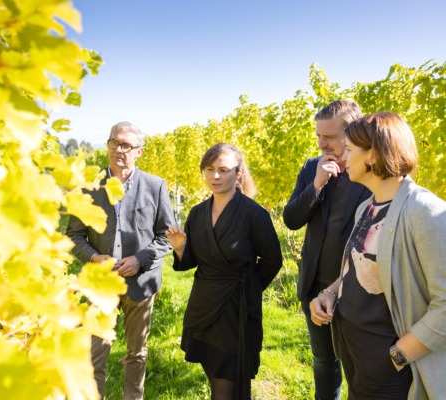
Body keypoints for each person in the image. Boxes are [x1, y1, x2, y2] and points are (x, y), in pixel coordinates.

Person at [310, 112, 446, 399]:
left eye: (349, 149)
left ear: (372, 154)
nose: (343, 157)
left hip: (389, 369)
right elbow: (356, 268)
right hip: (357, 358)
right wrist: (330, 293)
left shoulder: (425, 211)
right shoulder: (368, 208)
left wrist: (397, 356)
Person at [66, 121, 175, 400]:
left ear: (138, 151)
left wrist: (140, 259)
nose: (119, 150)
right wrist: (92, 257)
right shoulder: (88, 187)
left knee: (136, 353)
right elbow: (74, 235)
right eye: (114, 142)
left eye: (126, 145)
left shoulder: (155, 186)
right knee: (95, 353)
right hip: (101, 284)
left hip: (140, 282)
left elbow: (167, 237)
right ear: (108, 145)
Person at [165, 143, 282, 400]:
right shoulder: (197, 214)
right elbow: (190, 262)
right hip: (203, 306)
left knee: (225, 385)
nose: (215, 176)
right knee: (213, 373)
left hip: (235, 311)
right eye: (209, 169)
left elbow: (273, 260)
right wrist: (181, 248)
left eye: (223, 170)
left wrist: (247, 289)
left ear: (238, 174)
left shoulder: (254, 214)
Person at [282, 100, 371, 400]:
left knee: (359, 367)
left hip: (357, 287)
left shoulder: (371, 171)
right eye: (318, 136)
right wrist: (316, 186)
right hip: (315, 286)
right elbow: (291, 219)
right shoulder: (311, 168)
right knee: (323, 363)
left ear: (352, 133)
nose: (322, 143)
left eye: (329, 137)